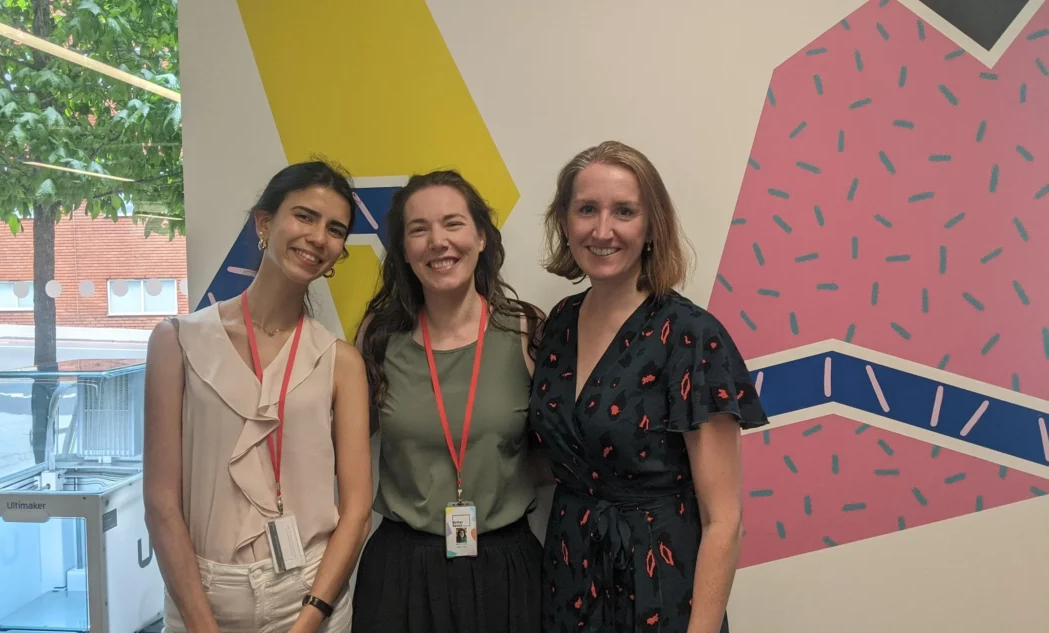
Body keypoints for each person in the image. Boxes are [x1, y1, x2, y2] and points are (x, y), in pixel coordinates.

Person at [530, 141, 769, 633]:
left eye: (624, 211)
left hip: (660, 587)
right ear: (564, 221)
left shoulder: (691, 336)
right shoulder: (559, 323)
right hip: (568, 577)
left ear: (651, 225)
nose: (602, 230)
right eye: (586, 210)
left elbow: (724, 519)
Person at [143, 161, 373, 633]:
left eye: (335, 229)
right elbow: (161, 501)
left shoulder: (340, 362)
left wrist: (310, 619)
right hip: (202, 597)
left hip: (311, 598)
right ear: (264, 223)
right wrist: (202, 625)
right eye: (304, 216)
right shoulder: (177, 342)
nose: (318, 237)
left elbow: (356, 510)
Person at [352, 170, 546, 633]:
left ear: (481, 236)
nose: (438, 241)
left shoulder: (527, 330)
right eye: (418, 229)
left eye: (453, 223)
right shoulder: (378, 337)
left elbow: (561, 451)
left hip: (507, 570)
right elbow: (345, 450)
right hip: (403, 573)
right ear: (403, 249)